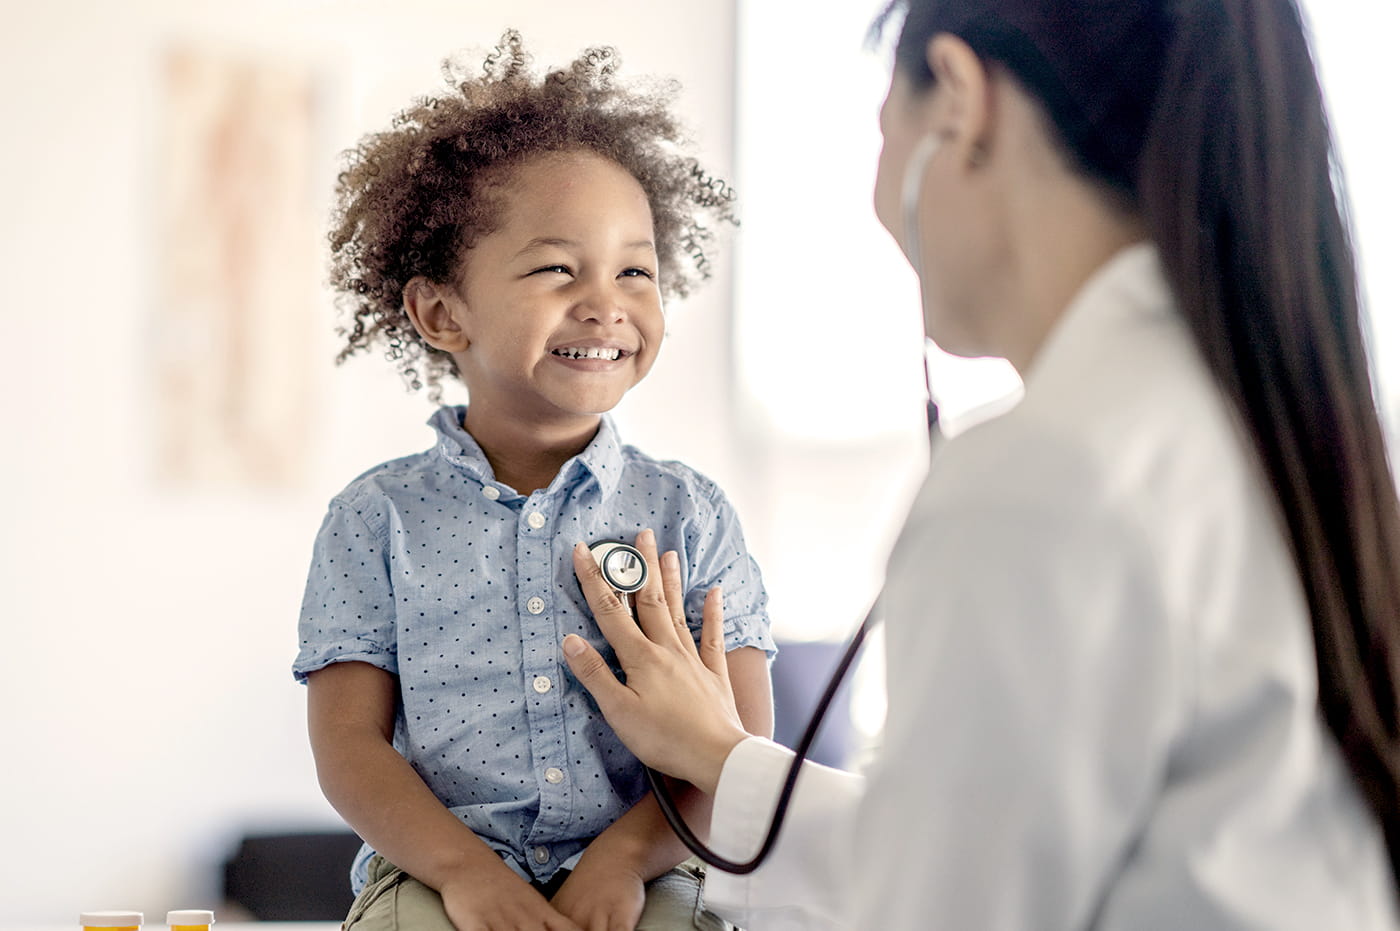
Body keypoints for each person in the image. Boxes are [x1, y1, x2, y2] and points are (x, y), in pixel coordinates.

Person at [560, 0, 1400, 927]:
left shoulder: (1043, 478)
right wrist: (726, 759)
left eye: (884, 133)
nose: (882, 207)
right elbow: (1001, 845)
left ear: (959, 102)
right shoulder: (1255, 421)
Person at [293, 31, 775, 931]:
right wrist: (464, 873)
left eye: (635, 268)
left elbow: (741, 750)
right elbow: (350, 749)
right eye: (558, 268)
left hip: (652, 867)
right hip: (437, 876)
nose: (606, 301)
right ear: (442, 311)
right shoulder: (375, 518)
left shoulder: (691, 514)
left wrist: (626, 860)